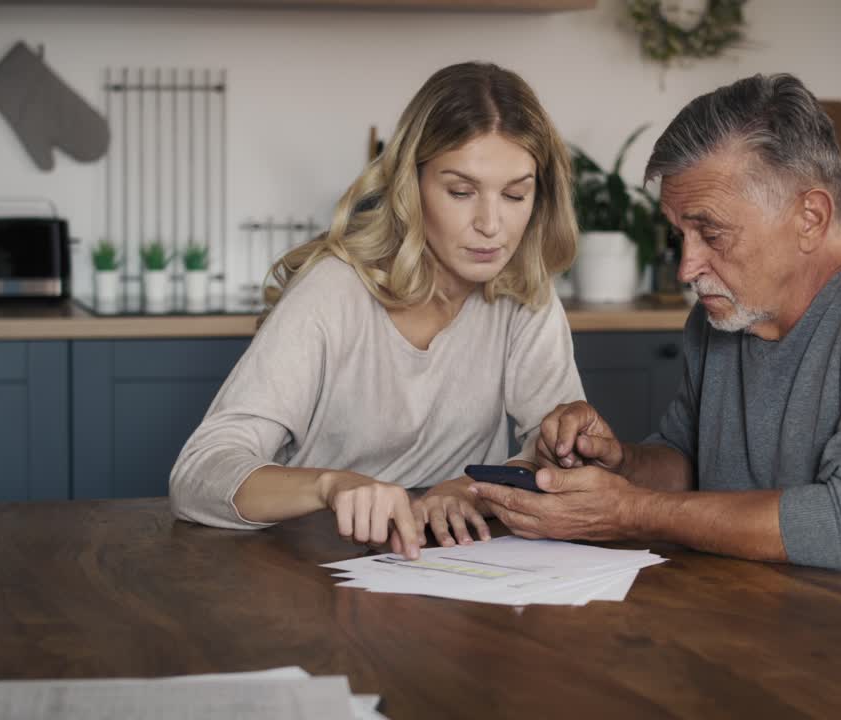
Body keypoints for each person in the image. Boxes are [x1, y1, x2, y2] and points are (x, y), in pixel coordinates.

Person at [472, 73, 841, 657]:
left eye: (712, 233)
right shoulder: (721, 321)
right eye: (681, 235)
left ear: (810, 217)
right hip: (818, 647)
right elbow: (688, 466)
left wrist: (628, 510)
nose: (687, 267)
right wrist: (619, 464)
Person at [171, 62, 585, 560]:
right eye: (461, 192)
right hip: (314, 566)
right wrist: (330, 486)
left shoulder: (525, 295)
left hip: (452, 569)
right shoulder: (333, 291)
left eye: (516, 194)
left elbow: (559, 458)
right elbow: (198, 475)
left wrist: (470, 490)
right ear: (411, 184)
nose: (491, 224)